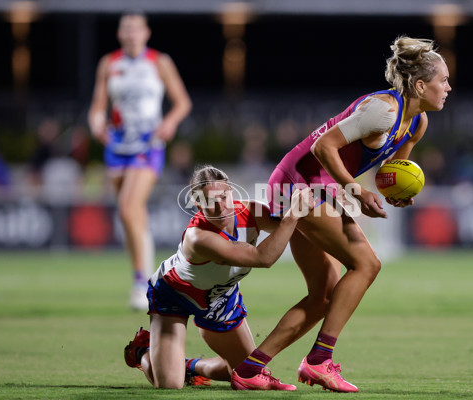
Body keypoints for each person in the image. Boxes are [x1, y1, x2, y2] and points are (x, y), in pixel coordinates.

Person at [231, 36, 452, 392]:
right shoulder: (384, 110)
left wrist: (394, 192)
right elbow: (323, 147)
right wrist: (356, 191)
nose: (448, 87)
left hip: (320, 187)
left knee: (325, 296)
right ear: (421, 85)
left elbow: (393, 169)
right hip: (299, 182)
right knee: (367, 264)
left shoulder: (417, 123)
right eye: (443, 80)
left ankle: (250, 369)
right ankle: (319, 362)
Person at [123, 165, 314, 389]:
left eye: (224, 197)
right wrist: (293, 215)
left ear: (232, 193)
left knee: (245, 373)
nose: (220, 207)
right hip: (174, 295)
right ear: (197, 205)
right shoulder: (198, 238)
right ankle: (143, 351)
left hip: (219, 296)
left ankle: (190, 366)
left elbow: (294, 228)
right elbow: (264, 257)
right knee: (169, 384)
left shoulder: (251, 212)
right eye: (209, 201)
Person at [88, 11, 192, 310]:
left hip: (149, 143)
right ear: (120, 34)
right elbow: (98, 107)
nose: (131, 33)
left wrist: (169, 123)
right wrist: (97, 124)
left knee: (128, 207)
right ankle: (149, 277)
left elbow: (183, 102)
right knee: (130, 216)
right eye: (126, 29)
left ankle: (140, 282)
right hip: (117, 144)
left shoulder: (159, 62)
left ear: (146, 33)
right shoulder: (110, 63)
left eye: (136, 28)